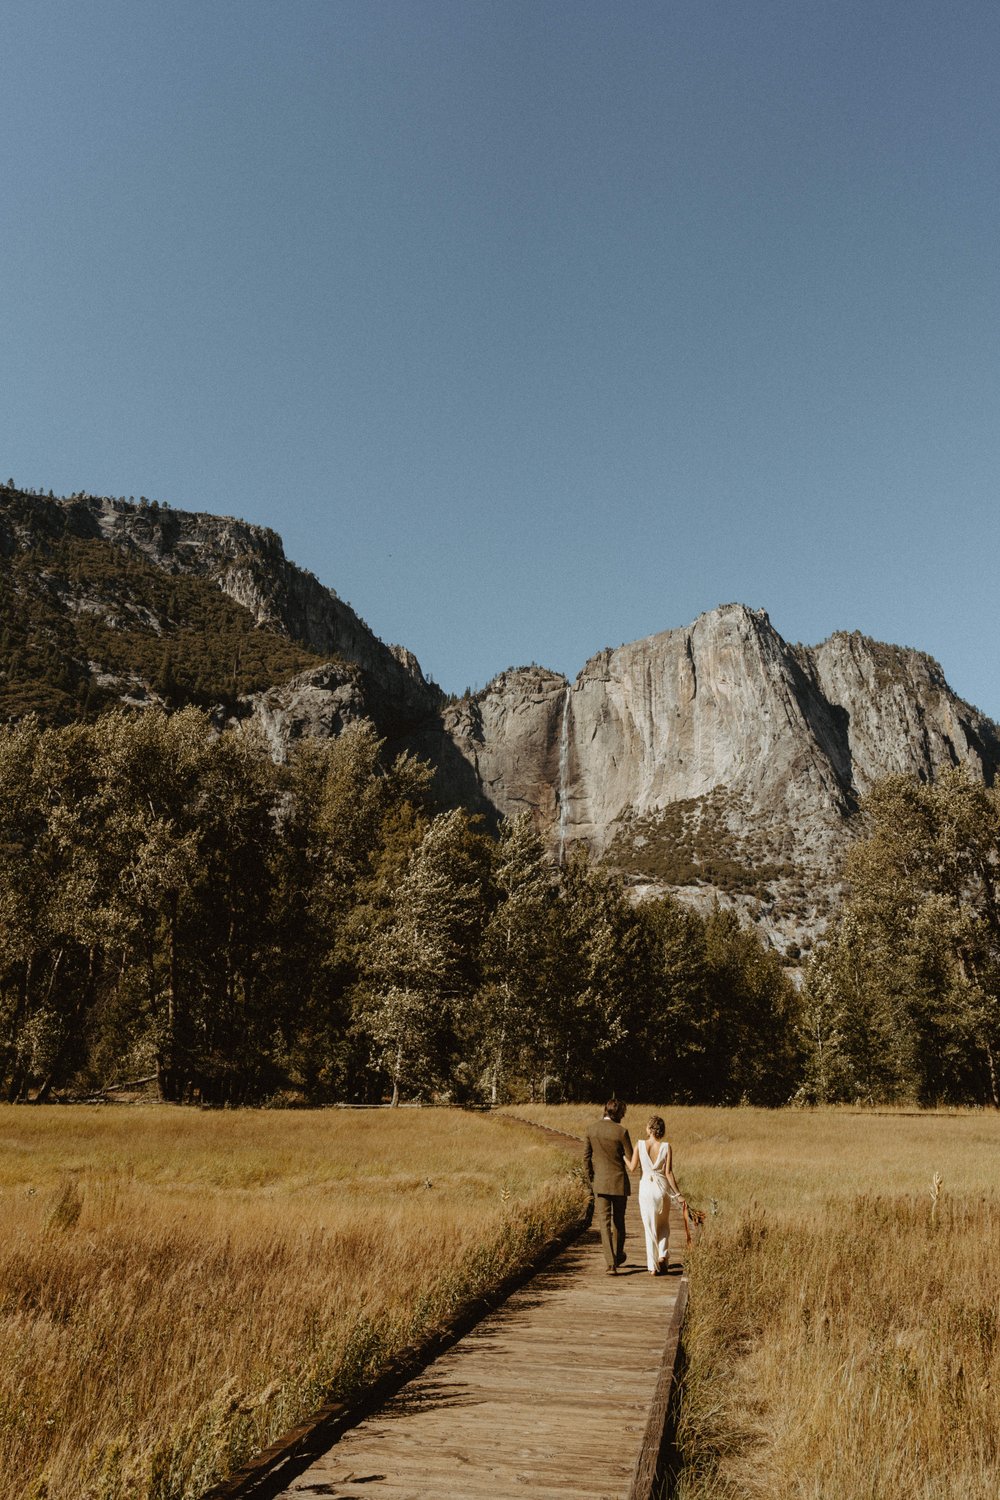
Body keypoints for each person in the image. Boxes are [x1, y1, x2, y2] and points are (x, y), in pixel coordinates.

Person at [626, 1114, 683, 1275]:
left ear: (649, 1129)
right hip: (662, 1188)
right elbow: (669, 1172)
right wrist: (678, 1194)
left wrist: (623, 1156)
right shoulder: (666, 1146)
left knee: (649, 1226)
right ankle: (663, 1254)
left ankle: (652, 1267)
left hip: (646, 1188)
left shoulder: (640, 1144)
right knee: (663, 1224)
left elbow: (632, 1167)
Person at [584, 1099, 633, 1275]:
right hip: (619, 1182)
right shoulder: (622, 1132)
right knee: (618, 1222)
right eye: (623, 1113)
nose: (624, 1116)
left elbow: (586, 1158)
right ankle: (619, 1255)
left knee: (603, 1224)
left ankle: (610, 1263)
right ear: (618, 1113)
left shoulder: (591, 1129)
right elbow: (630, 1157)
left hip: (600, 1183)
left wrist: (591, 1180)